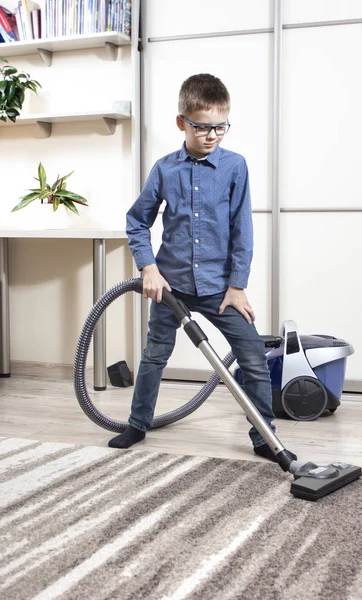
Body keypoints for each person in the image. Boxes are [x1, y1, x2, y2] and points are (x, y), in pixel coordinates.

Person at [109, 73, 296, 463]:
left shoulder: (235, 167)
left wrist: (237, 285)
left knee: (253, 359)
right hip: (170, 286)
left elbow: (242, 230)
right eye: (202, 127)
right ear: (182, 123)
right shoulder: (164, 169)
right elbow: (137, 221)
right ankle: (138, 423)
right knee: (154, 356)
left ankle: (264, 435)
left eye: (220, 127)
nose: (212, 135)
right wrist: (148, 267)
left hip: (219, 288)